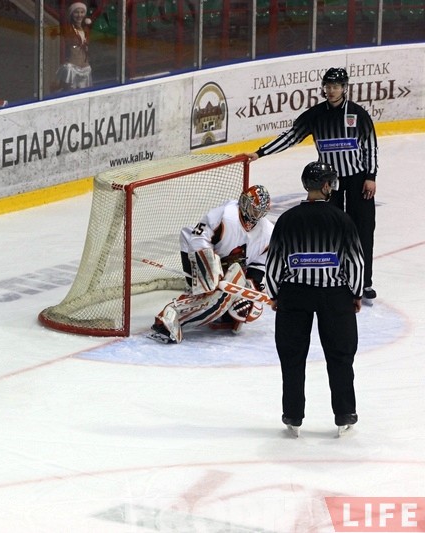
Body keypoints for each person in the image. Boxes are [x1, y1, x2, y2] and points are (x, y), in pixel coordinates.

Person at [245, 67, 378, 300]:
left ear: (344, 88)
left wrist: (371, 177)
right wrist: (261, 152)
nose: (331, 90)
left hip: (358, 180)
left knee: (363, 230)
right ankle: (338, 276)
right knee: (331, 231)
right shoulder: (315, 115)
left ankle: (364, 282)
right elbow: (291, 136)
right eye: (328, 86)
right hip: (328, 184)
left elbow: (370, 146)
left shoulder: (358, 114)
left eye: (336, 86)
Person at [265, 162, 364, 438]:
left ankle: (293, 415)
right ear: (325, 186)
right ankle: (344, 413)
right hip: (335, 297)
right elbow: (355, 261)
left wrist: (274, 294)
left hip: (294, 296)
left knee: (292, 356)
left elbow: (273, 261)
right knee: (340, 356)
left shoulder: (287, 220)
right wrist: (354, 293)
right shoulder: (342, 220)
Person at [149, 185, 273, 344]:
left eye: (259, 212)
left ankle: (224, 315)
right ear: (243, 202)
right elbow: (198, 240)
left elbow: (260, 262)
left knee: (246, 308)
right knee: (213, 296)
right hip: (197, 253)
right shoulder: (224, 215)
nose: (255, 215)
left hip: (230, 267)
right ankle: (167, 318)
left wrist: (252, 283)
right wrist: (211, 269)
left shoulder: (268, 232)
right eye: (252, 209)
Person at [56, 2, 92, 92]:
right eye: (76, 12)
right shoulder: (68, 29)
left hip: (85, 68)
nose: (79, 15)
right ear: (71, 14)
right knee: (69, 93)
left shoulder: (86, 29)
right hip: (72, 69)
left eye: (82, 12)